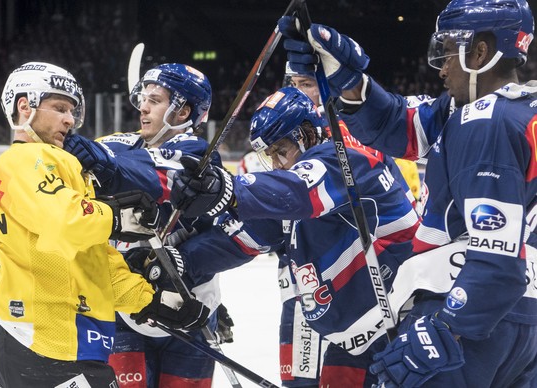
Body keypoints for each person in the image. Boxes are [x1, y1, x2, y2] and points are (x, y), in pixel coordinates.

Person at [279, 0, 537, 386]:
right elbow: (401, 125)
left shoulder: (484, 119)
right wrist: (348, 80)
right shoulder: (510, 111)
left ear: (480, 52)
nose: (442, 67)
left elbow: (496, 255)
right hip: (520, 321)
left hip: (467, 313)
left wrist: (446, 328)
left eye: (449, 52)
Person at [170, 86, 421, 387]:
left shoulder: (340, 160)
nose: (276, 164)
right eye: (269, 156)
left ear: (308, 134)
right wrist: (178, 263)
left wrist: (227, 190)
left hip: (402, 326)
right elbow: (241, 237)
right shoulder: (290, 194)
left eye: (280, 151)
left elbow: (300, 189)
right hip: (353, 340)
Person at [0, 62, 210, 388]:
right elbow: (64, 220)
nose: (69, 120)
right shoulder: (22, 161)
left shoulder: (62, 168)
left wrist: (151, 302)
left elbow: (95, 264)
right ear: (24, 106)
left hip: (69, 346)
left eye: (72, 111)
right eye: (59, 108)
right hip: (42, 347)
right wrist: (116, 216)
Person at [63, 63, 235, 387]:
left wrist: (101, 159)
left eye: (154, 100)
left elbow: (146, 173)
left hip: (189, 309)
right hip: (128, 310)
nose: (142, 106)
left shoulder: (198, 158)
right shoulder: (123, 146)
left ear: (182, 110)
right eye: (143, 98)